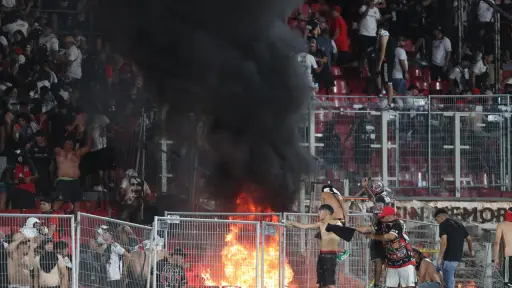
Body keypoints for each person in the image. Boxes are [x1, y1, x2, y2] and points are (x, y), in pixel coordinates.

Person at [356, 206, 416, 288]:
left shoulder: (398, 224)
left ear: (390, 216)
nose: (381, 219)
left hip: (406, 262)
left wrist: (373, 236)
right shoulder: (381, 224)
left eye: (383, 217)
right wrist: (354, 228)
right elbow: (367, 229)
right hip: (391, 263)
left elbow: (390, 236)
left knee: (410, 286)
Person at [286, 204, 342, 288]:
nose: (318, 214)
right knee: (322, 282)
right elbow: (304, 226)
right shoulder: (320, 224)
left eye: (320, 212)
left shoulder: (337, 224)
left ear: (326, 213)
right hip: (322, 256)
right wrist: (291, 223)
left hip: (330, 256)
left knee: (330, 283)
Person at [358, 178, 394, 288]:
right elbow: (372, 199)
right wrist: (365, 188)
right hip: (388, 231)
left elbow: (379, 215)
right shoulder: (385, 197)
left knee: (378, 260)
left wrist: (371, 228)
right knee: (388, 260)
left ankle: (377, 285)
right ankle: (388, 284)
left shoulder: (380, 198)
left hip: (379, 232)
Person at [434, 208, 473, 288]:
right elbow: (469, 239)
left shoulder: (443, 224)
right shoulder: (459, 224)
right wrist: (471, 251)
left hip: (449, 259)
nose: (436, 222)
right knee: (438, 271)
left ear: (441, 217)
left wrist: (439, 258)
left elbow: (444, 242)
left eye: (436, 219)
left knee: (449, 284)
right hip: (456, 258)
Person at [53, 135, 89, 214]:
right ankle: (49, 220)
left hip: (75, 181)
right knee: (59, 201)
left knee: (77, 203)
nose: (69, 145)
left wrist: (88, 132)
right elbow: (55, 148)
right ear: (63, 144)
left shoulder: (77, 154)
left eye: (71, 144)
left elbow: (88, 147)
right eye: (67, 143)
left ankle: (77, 225)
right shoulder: (60, 152)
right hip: (63, 180)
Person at [321, 183, 349, 261]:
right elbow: (343, 208)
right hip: (340, 220)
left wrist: (322, 221)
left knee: (326, 242)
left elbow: (323, 209)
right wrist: (346, 221)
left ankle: (344, 252)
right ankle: (339, 254)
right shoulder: (337, 195)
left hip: (333, 221)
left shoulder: (324, 194)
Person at [376, 23, 397, 107]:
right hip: (386, 61)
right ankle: (382, 93)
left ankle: (389, 103)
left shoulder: (384, 34)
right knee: (384, 80)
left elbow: (383, 51)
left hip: (386, 62)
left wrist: (380, 63)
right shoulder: (381, 36)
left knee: (388, 82)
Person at [29, 131, 52, 198]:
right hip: (36, 174)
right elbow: (29, 160)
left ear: (43, 138)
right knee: (36, 195)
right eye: (37, 138)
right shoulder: (32, 147)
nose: (38, 139)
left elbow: (52, 162)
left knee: (47, 195)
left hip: (46, 174)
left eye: (39, 138)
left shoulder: (49, 147)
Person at [494, 207, 512, 285]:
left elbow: (497, 243)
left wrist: (496, 258)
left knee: (508, 283)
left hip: (509, 257)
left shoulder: (501, 225)